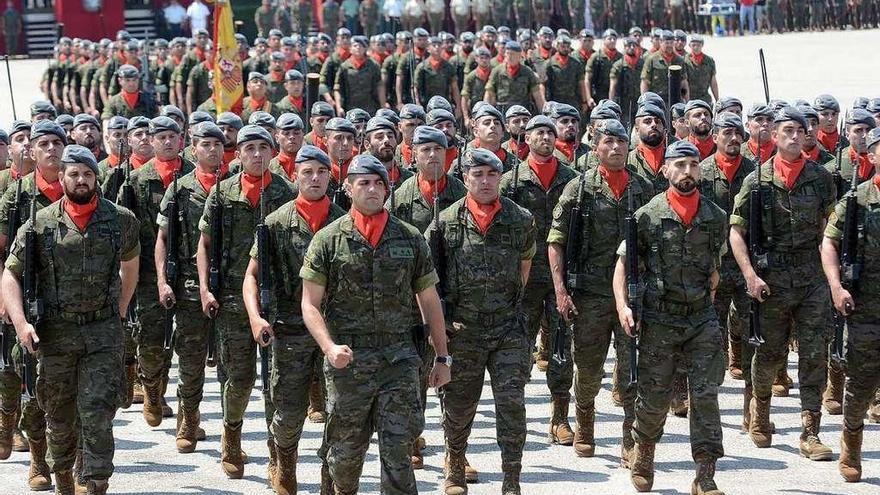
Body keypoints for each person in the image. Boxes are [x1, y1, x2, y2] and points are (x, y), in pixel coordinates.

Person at [300, 153, 450, 494]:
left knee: (399, 451)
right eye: (363, 182)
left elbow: (429, 300)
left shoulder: (410, 238)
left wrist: (442, 357)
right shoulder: (328, 240)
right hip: (349, 361)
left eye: (378, 182)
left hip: (398, 359)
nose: (372, 189)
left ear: (387, 188)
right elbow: (309, 304)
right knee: (345, 455)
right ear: (349, 188)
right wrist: (329, 347)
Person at [2, 144, 140, 495]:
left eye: (88, 174)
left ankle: (94, 482)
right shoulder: (38, 224)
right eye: (74, 174)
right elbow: (10, 276)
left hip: (102, 331)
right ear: (61, 177)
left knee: (97, 411)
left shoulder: (120, 220)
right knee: (59, 418)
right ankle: (63, 476)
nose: (81, 180)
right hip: (56, 333)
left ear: (97, 178)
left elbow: (131, 264)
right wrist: (21, 324)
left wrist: (121, 309)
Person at [613, 139, 728, 494]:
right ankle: (644, 452)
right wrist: (623, 307)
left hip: (701, 320)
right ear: (665, 171)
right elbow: (622, 266)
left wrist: (705, 303)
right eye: (679, 165)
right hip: (660, 320)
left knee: (706, 395)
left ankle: (705, 473)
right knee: (653, 394)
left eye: (693, 165)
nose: (687, 172)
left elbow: (714, 270)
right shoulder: (647, 216)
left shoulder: (715, 217)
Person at [729, 106, 837, 460]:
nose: (794, 135)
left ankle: (811, 431)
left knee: (813, 353)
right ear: (773, 136)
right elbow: (736, 231)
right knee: (769, 352)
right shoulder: (756, 180)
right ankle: (759, 413)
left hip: (811, 279)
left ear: (808, 136)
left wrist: (832, 280)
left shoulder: (821, 178)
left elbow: (828, 231)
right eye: (786, 129)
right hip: (771, 279)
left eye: (800, 130)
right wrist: (750, 275)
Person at [426, 147, 535, 495]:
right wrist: (438, 330)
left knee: (511, 406)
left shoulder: (521, 220)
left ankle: (511, 478)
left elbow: (524, 268)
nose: (486, 181)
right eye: (478, 175)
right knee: (458, 405)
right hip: (463, 330)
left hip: (508, 329)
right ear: (465, 178)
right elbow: (431, 280)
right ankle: (455, 465)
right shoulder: (445, 223)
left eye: (492, 175)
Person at [548, 119, 654, 463]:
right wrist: (561, 290)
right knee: (589, 368)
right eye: (608, 142)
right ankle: (585, 424)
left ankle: (629, 437)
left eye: (622, 142)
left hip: (631, 296)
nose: (616, 148)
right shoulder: (579, 189)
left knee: (630, 369)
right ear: (596, 147)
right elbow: (556, 241)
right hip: (590, 294)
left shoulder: (642, 189)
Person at [242, 144, 343, 494]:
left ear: (330, 176)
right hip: (289, 329)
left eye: (321, 172)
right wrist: (255, 317)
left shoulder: (345, 221)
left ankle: (330, 475)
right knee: (287, 409)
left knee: (338, 408)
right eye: (307, 172)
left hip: (333, 330)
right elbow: (251, 275)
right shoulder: (275, 223)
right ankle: (284, 463)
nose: (315, 178)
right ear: (294, 175)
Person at [196, 125, 295, 479]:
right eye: (249, 148)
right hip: (232, 302)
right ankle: (232, 435)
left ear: (272, 152)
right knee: (239, 378)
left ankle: (277, 454)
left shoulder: (286, 192)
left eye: (262, 148)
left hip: (276, 302)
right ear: (237, 154)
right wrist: (206, 289)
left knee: (275, 381)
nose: (256, 154)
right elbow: (204, 245)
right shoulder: (222, 194)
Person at [821, 126, 880, 483]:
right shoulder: (856, 201)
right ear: (871, 157)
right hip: (866, 307)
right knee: (860, 384)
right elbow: (829, 243)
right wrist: (836, 286)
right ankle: (851, 448)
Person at [698, 112, 756, 389]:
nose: (734, 138)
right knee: (711, 329)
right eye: (727, 132)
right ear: (715, 136)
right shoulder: (701, 172)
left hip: (747, 264)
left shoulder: (755, 173)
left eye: (738, 133)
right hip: (714, 264)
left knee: (751, 329)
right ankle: (709, 386)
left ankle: (753, 401)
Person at [684, 35, 718, 106]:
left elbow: (713, 82)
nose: (696, 48)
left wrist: (717, 100)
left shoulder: (709, 61)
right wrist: (687, 101)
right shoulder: (684, 61)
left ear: (702, 45)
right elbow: (684, 83)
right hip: (690, 99)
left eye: (698, 45)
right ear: (689, 45)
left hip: (705, 99)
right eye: (693, 45)